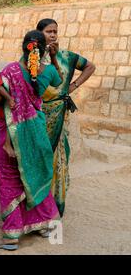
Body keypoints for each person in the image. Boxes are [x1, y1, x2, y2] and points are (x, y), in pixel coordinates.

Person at [0, 30, 62, 251]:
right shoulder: (47, 71)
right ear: (41, 49)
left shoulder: (10, 70)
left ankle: (11, 235)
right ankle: (46, 223)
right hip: (37, 134)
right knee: (35, 176)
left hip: (10, 136)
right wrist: (54, 58)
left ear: (23, 46)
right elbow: (58, 82)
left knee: (10, 181)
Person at [37, 18, 96, 217]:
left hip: (59, 115)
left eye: (55, 31)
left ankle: (55, 204)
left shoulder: (67, 57)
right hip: (38, 115)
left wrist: (75, 85)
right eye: (48, 31)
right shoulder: (32, 58)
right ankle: (37, 206)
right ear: (39, 34)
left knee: (58, 158)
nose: (52, 35)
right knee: (39, 157)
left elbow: (90, 66)